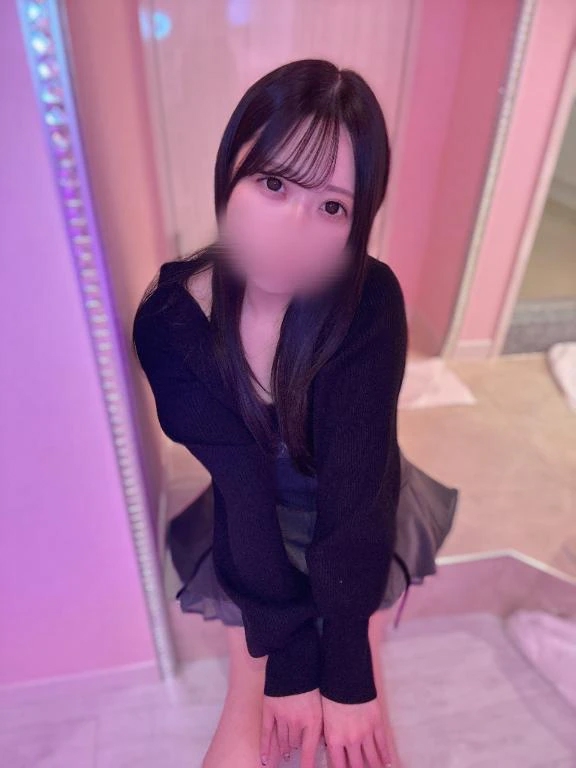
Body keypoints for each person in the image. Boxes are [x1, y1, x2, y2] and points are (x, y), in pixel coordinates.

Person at [133, 58, 446, 768]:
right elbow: (243, 490)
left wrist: (347, 676)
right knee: (253, 708)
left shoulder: (368, 301)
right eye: (274, 184)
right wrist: (289, 661)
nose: (294, 228)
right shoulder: (172, 323)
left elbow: (356, 492)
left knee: (359, 726)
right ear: (230, 170)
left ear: (357, 221)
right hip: (253, 522)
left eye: (332, 207)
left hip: (356, 511)